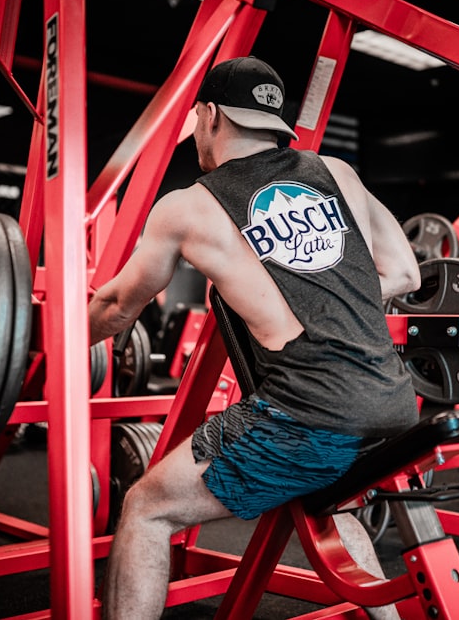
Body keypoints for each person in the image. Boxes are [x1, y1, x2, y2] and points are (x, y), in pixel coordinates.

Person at [90, 56, 421, 619]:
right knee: (330, 502)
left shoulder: (188, 206)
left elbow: (119, 306)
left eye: (197, 119)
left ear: (211, 115)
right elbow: (405, 274)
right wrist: (319, 298)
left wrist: (48, 342)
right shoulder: (335, 172)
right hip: (393, 402)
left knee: (146, 507)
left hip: (311, 416)